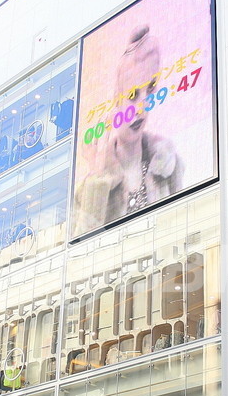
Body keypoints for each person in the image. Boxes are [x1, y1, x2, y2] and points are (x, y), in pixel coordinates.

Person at [73, 27, 184, 238]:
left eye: (150, 89)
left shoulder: (170, 164)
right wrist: (99, 176)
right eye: (132, 94)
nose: (142, 107)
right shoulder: (86, 190)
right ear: (116, 99)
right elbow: (81, 255)